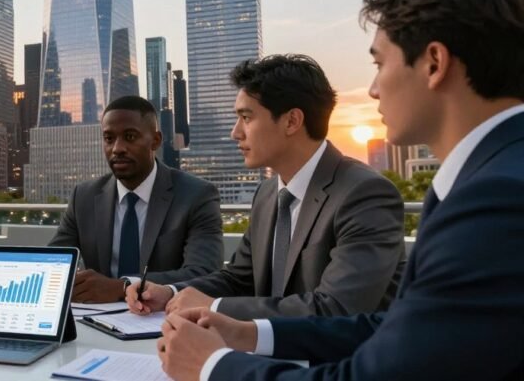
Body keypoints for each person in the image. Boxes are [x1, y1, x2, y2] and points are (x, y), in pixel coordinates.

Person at [158, 0, 524, 380]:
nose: (371, 89)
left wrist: (212, 366)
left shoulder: (495, 200)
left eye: (378, 63)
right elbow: (397, 331)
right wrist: (249, 334)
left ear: (434, 63)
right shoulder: (493, 177)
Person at [128, 55, 404, 319]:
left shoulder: (364, 194)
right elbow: (240, 278)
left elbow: (335, 309)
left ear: (292, 121)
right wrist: (171, 293)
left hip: (338, 364)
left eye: (246, 117)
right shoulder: (269, 193)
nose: (235, 132)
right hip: (269, 354)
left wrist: (215, 308)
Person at [49, 96, 223, 303]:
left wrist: (123, 287)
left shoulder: (196, 195)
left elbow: (205, 273)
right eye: (109, 138)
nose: (117, 148)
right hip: (96, 317)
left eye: (130, 137)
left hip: (163, 319)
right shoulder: (84, 197)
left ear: (155, 141)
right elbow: (52, 263)